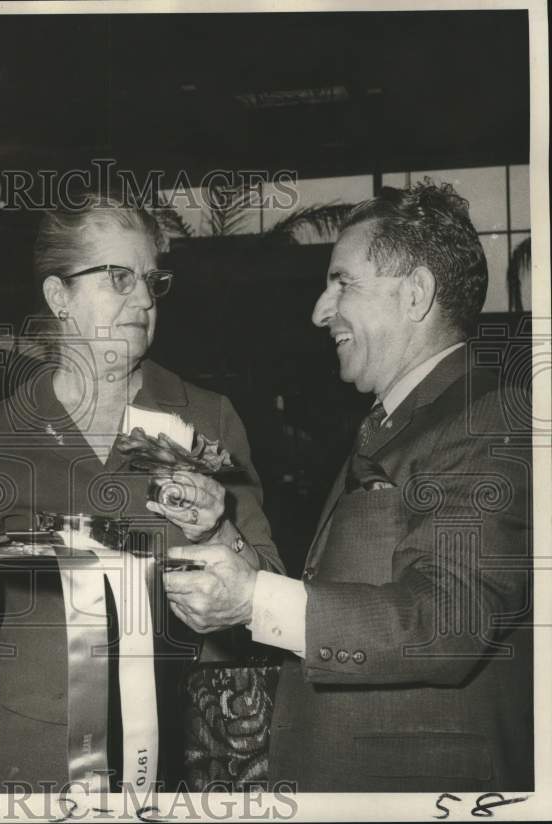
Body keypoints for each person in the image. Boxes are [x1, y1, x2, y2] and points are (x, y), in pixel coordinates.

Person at [164, 181, 533, 791]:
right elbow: (332, 593)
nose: (319, 309)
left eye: (343, 282)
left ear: (415, 294)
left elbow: (448, 621)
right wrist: (219, 533)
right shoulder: (396, 421)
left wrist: (252, 601)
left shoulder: (488, 416)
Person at [0, 194, 285, 791]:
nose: (142, 299)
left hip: (189, 758)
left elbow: (269, 589)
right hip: (33, 764)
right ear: (58, 297)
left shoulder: (208, 419)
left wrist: (219, 529)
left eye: (150, 280)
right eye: (118, 277)